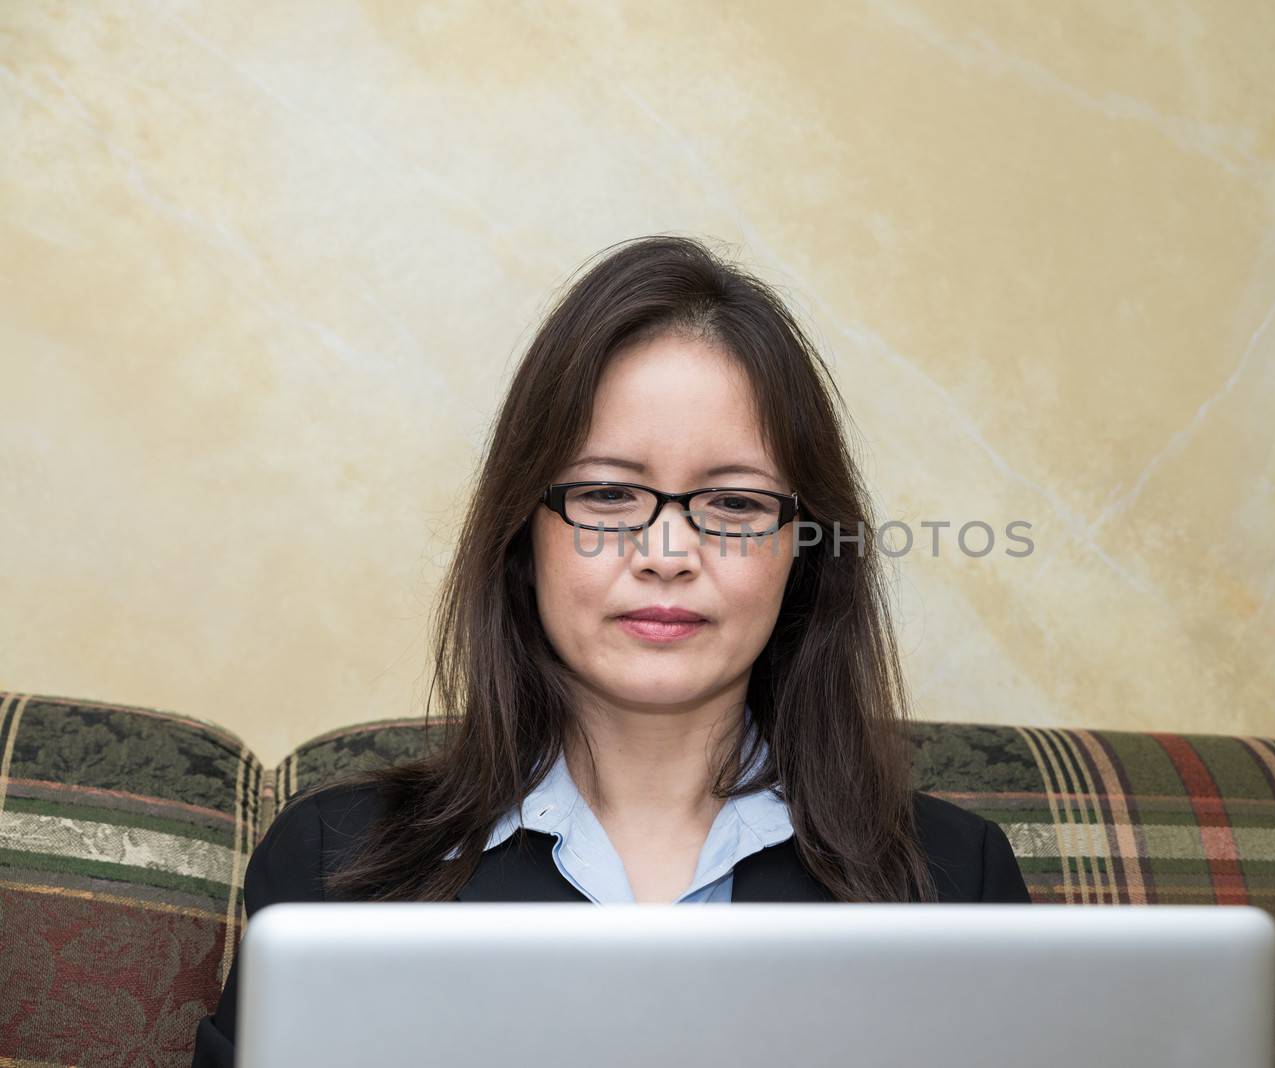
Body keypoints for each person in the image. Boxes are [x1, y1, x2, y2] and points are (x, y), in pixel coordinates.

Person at [190, 234, 1030, 1067]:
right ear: (525, 534)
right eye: (606, 493)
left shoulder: (957, 878)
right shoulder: (334, 866)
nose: (667, 551)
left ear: (801, 549)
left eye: (734, 503)